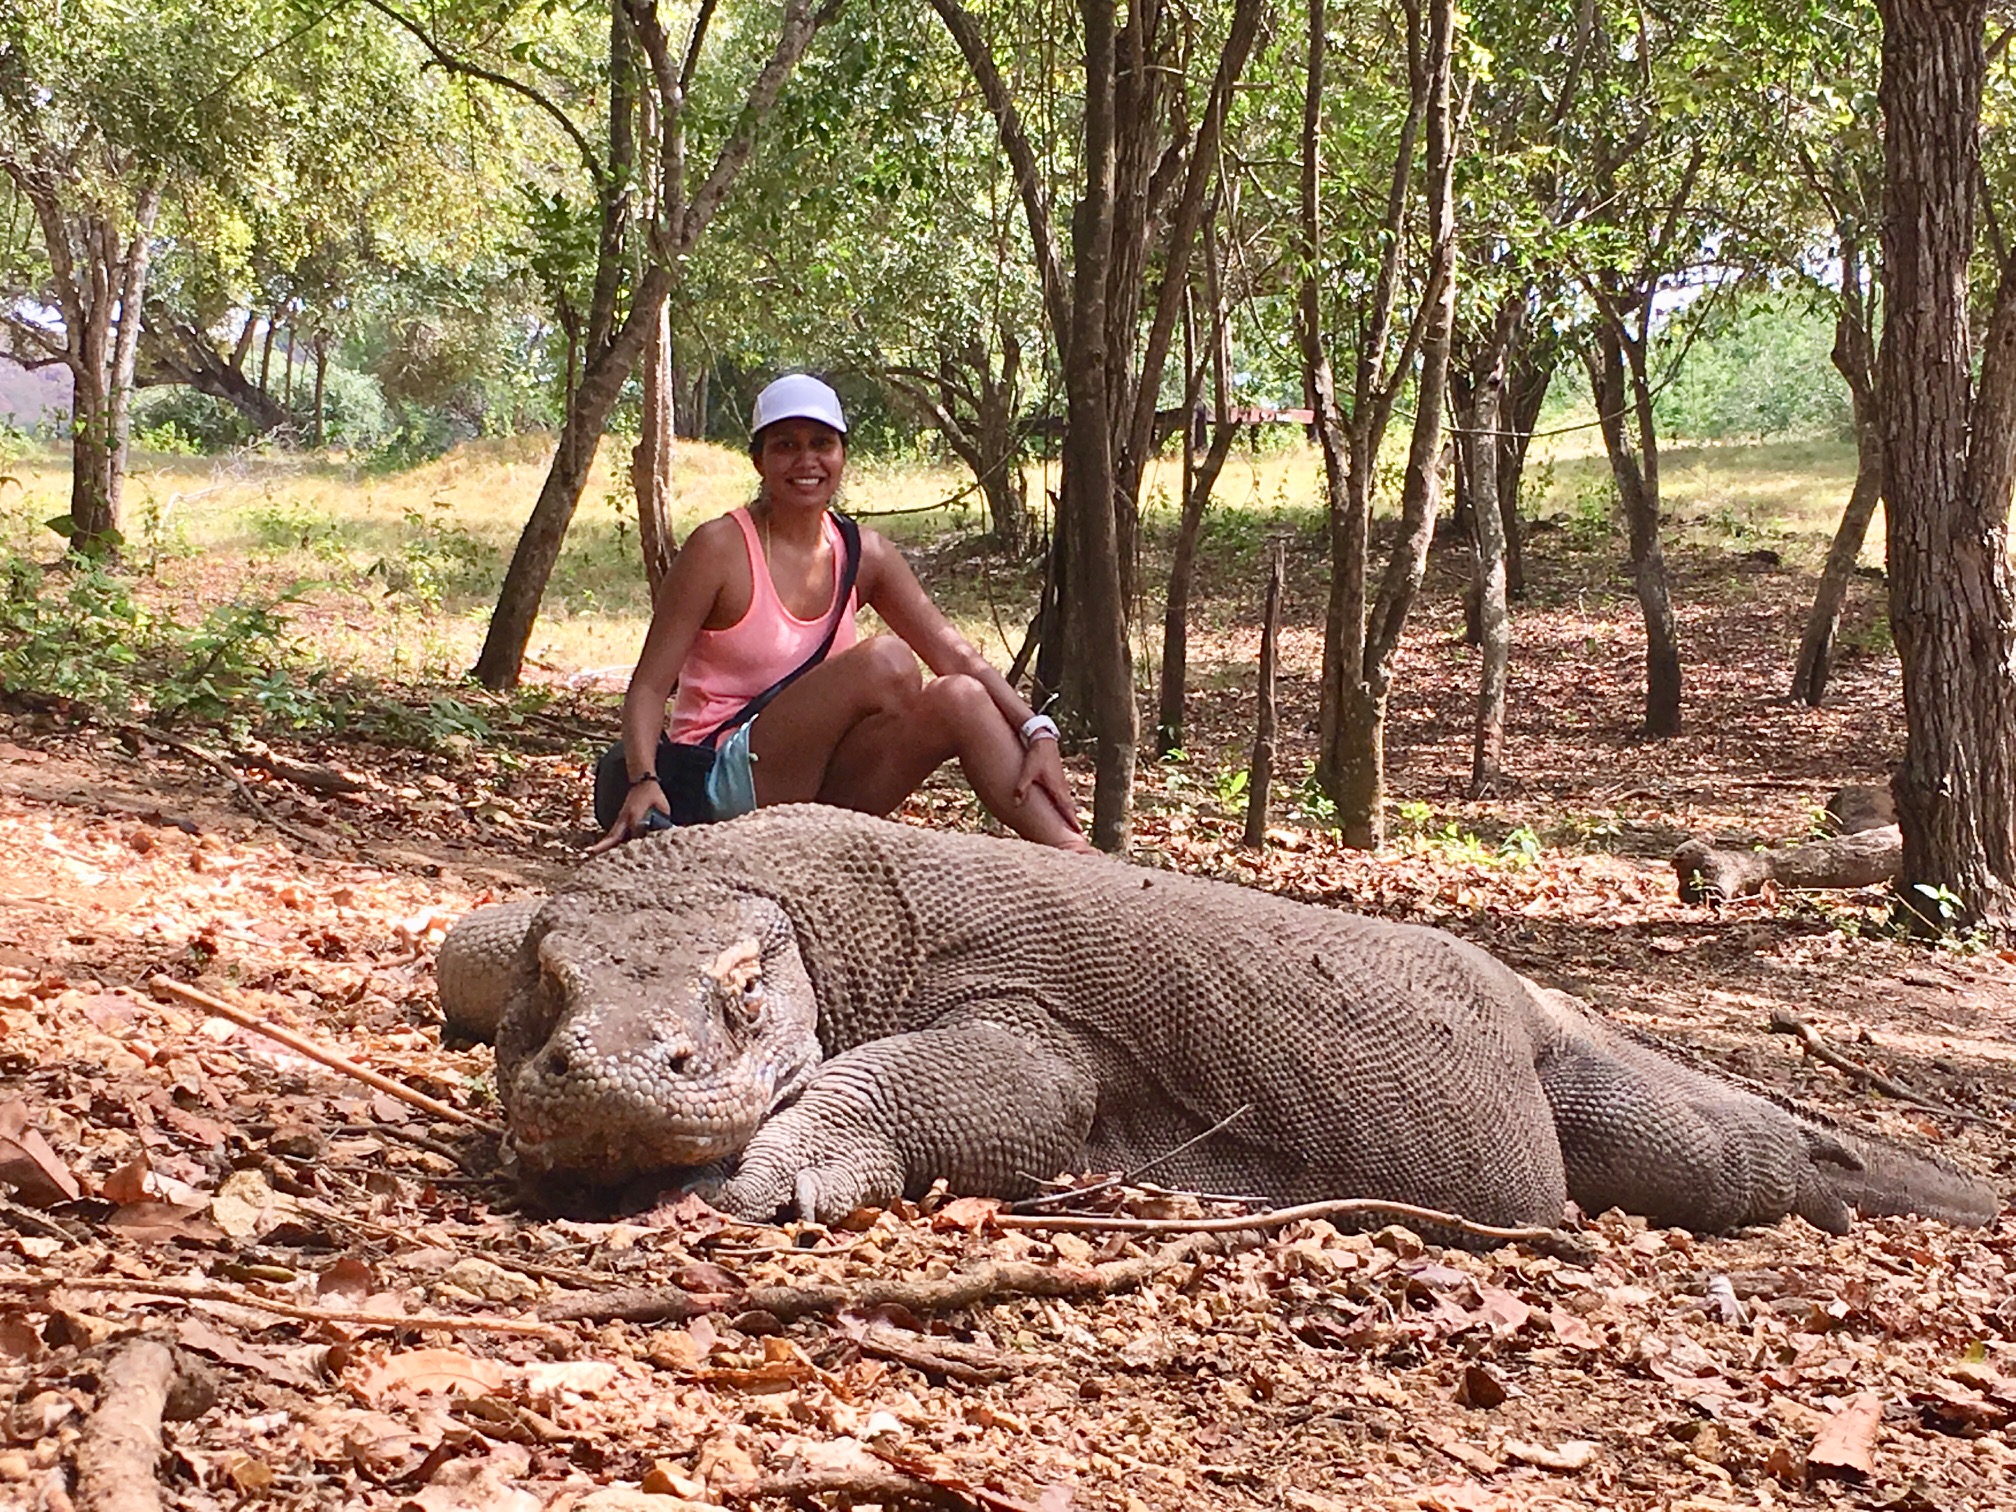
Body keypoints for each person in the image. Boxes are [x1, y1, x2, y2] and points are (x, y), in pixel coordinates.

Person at [591, 374, 1090, 854]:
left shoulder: (863, 553)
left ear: (842, 455)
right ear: (759, 460)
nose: (805, 460)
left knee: (959, 696)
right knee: (887, 661)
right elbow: (650, 687)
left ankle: (1076, 854)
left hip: (825, 786)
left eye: (821, 444)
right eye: (785, 445)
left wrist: (1037, 730)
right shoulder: (719, 548)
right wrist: (643, 779)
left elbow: (956, 656)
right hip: (721, 776)